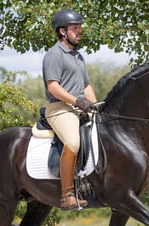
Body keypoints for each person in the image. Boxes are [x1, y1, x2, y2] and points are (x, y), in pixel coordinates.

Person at [42, 9, 97, 210]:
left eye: (80, 27)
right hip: (60, 109)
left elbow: (86, 86)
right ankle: (67, 194)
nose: (80, 31)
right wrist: (76, 101)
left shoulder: (78, 56)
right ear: (62, 31)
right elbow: (53, 87)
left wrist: (96, 105)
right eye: (75, 28)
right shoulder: (54, 55)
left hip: (79, 107)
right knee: (73, 143)